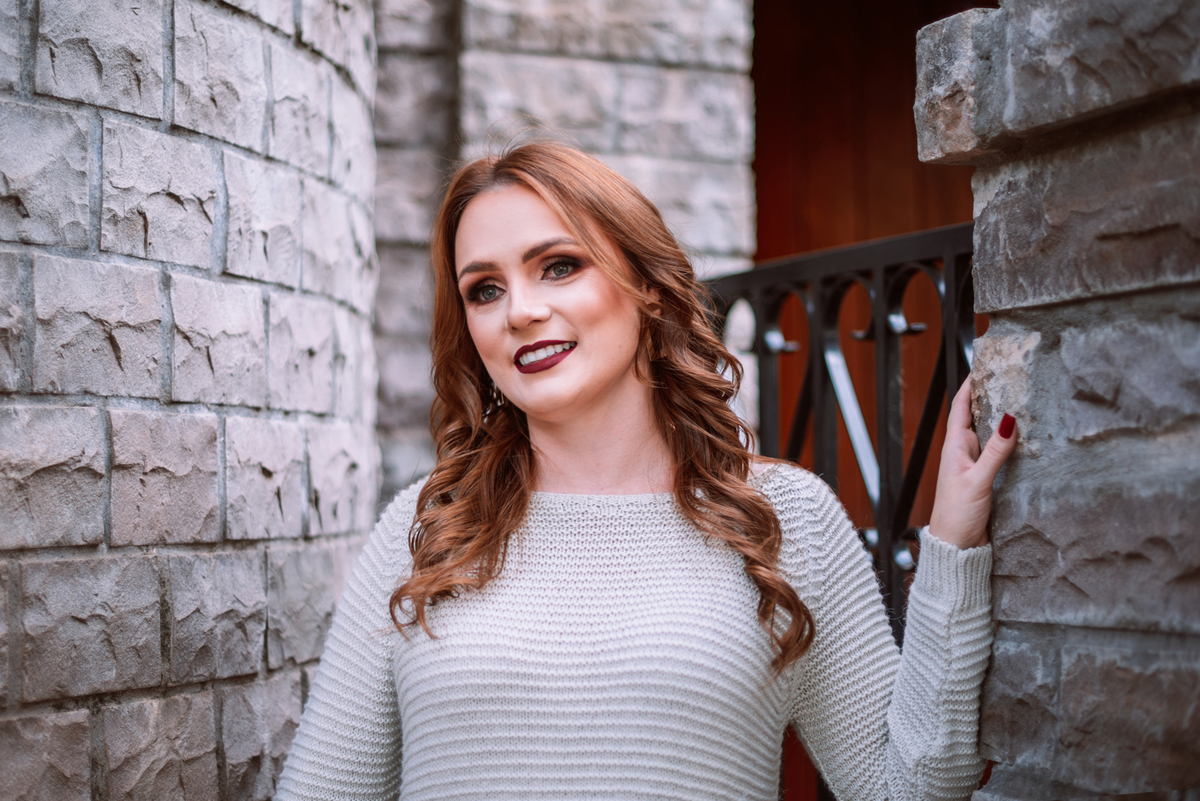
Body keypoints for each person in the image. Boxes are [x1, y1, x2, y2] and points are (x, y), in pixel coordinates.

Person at [274, 141, 1018, 801]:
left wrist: (952, 546)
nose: (519, 311)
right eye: (485, 289)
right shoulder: (426, 526)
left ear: (648, 285)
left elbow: (907, 787)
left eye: (558, 266)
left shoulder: (786, 520)